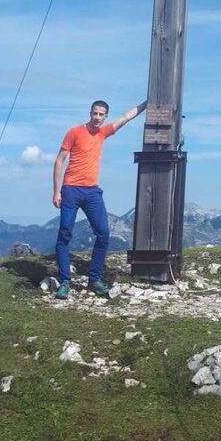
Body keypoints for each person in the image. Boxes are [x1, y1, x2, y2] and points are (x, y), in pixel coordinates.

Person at [53, 98, 146, 299]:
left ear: (105, 117)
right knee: (65, 233)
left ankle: (94, 279)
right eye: (94, 113)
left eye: (101, 114)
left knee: (103, 234)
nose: (97, 117)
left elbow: (126, 117)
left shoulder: (103, 133)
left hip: (92, 192)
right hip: (71, 189)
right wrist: (57, 191)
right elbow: (59, 160)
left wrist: (147, 103)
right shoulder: (74, 132)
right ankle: (65, 281)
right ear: (90, 113)